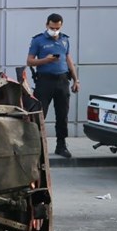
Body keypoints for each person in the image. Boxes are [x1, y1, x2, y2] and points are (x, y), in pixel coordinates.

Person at [27, 13, 80, 158]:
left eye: (57, 28)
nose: (55, 30)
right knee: (39, 114)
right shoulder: (38, 40)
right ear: (47, 25)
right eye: (52, 27)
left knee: (62, 114)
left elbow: (68, 60)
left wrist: (76, 80)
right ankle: (37, 146)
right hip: (45, 81)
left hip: (62, 80)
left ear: (61, 26)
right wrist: (45, 60)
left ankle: (61, 145)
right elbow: (29, 61)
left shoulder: (64, 40)